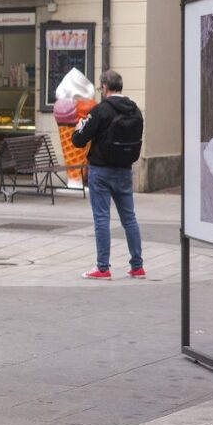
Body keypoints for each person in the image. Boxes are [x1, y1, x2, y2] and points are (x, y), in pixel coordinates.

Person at [70, 70, 146, 280]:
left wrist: (79, 128)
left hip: (101, 171)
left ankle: (103, 268)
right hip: (124, 170)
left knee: (102, 219)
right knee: (129, 218)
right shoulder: (135, 110)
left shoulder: (101, 110)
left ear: (104, 87)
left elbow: (79, 140)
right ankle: (137, 266)